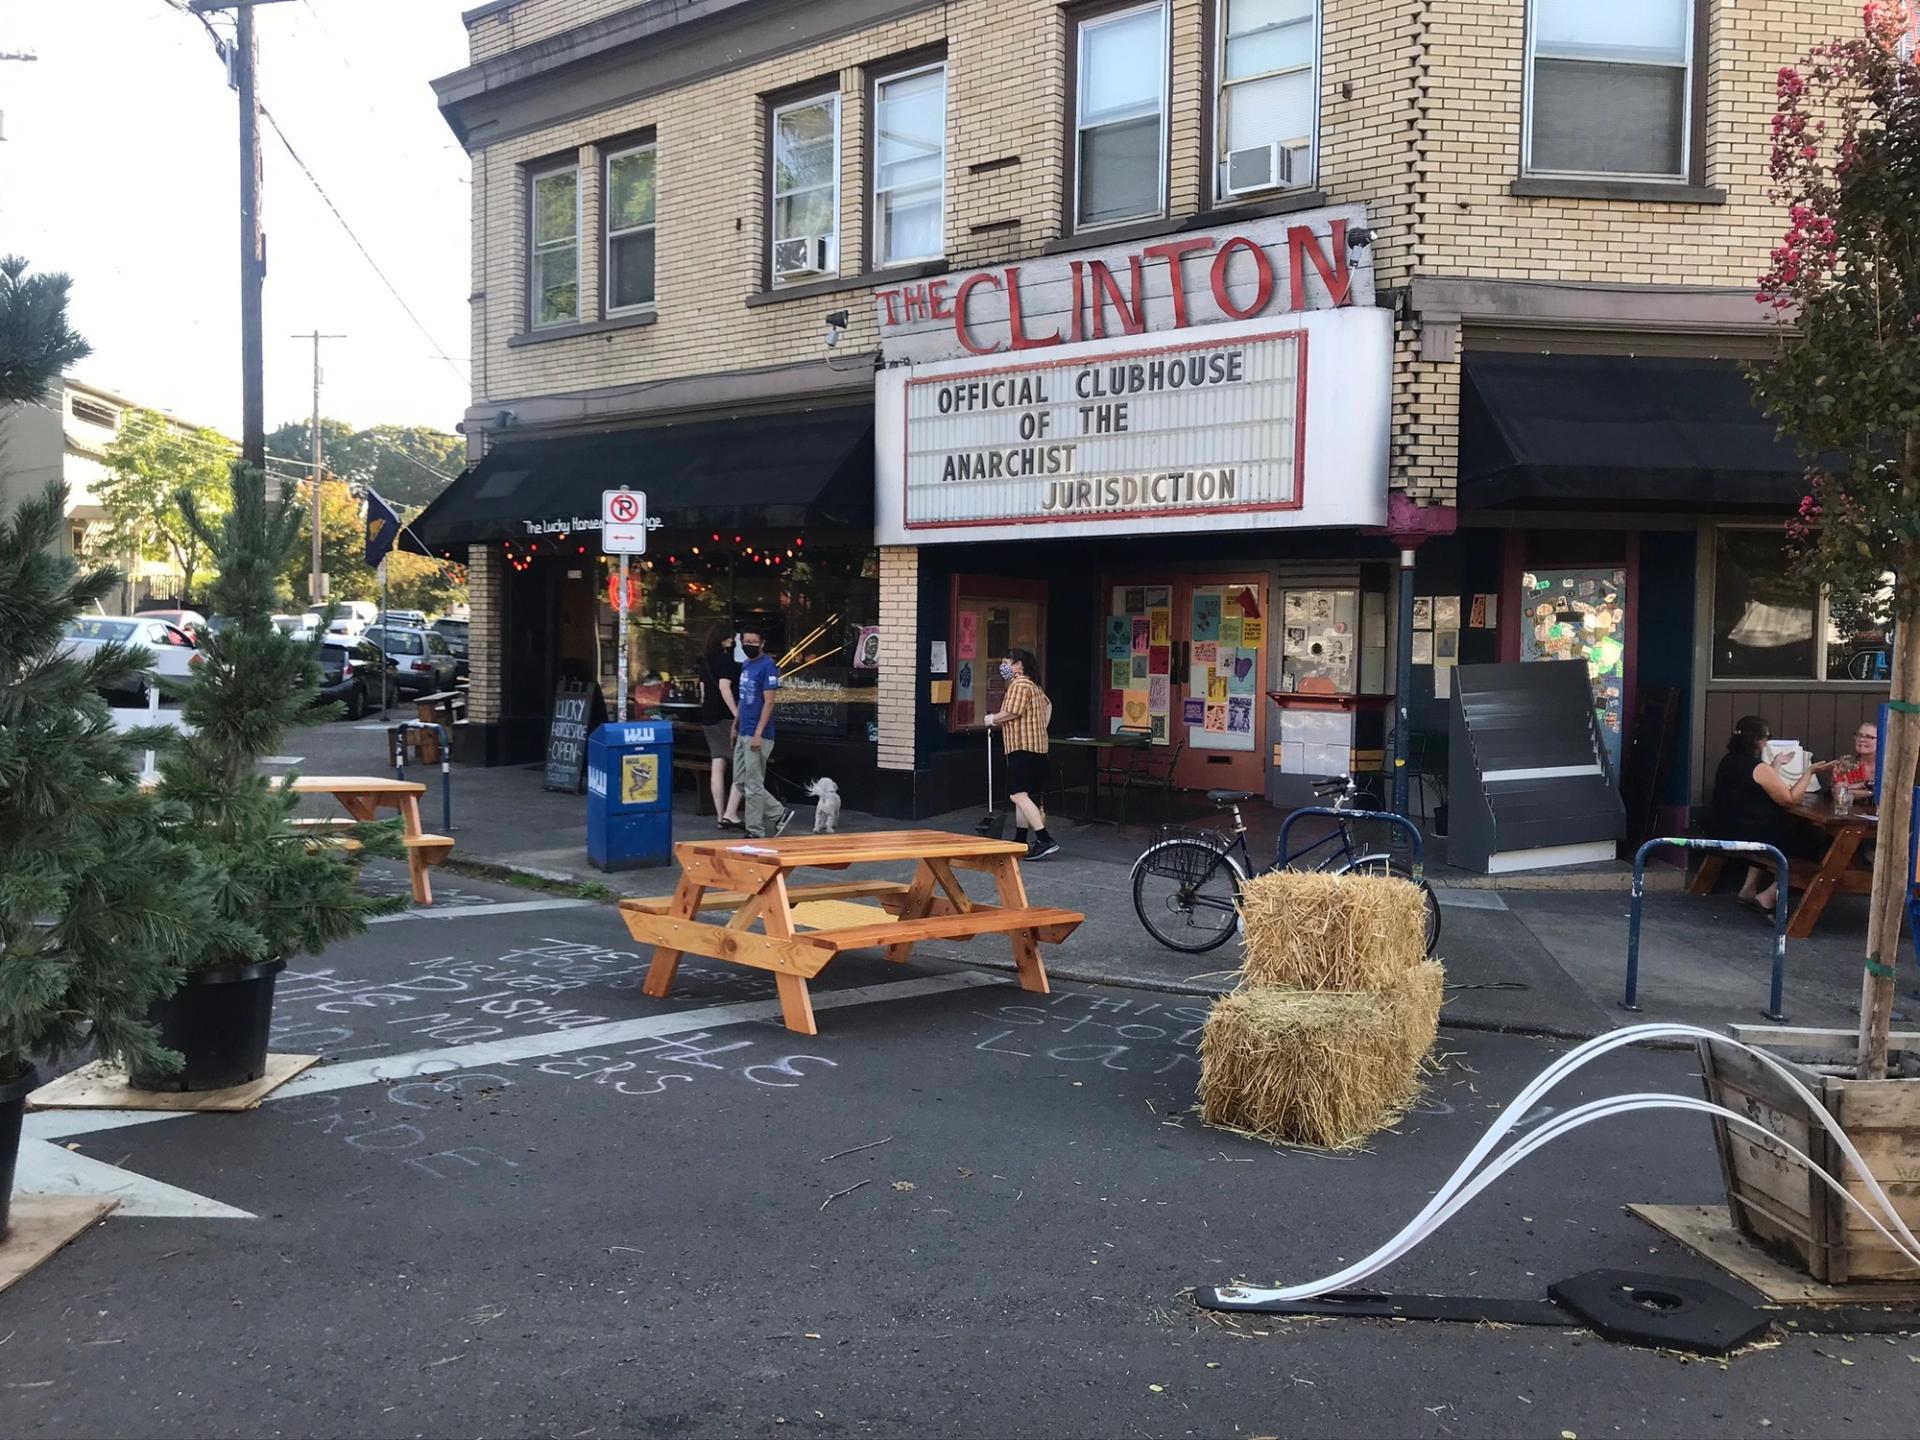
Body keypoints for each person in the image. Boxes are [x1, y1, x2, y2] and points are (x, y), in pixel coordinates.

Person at [1709, 715, 1835, 914]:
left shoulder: (1729, 761)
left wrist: (1775, 764)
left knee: (1781, 831)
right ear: (1759, 741)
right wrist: (1809, 772)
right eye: (1768, 736)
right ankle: (1769, 896)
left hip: (1727, 826)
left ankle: (1748, 888)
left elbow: (1760, 783)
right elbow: (1790, 799)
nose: (1768, 741)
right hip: (1753, 833)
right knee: (1814, 838)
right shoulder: (1757, 767)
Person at [985, 648, 1056, 860]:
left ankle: (1045, 840)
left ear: (1019, 665)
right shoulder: (1033, 685)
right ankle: (1020, 840)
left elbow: (1013, 712)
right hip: (1037, 748)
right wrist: (1041, 727)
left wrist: (993, 719)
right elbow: (1048, 705)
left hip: (1022, 747)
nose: (1004, 666)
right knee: (1022, 795)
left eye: (1007, 662)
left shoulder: (1020, 684)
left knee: (1017, 795)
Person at [733, 626, 795, 840]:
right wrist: (736, 723)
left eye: (753, 641)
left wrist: (759, 733)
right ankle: (778, 812)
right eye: (745, 641)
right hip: (744, 730)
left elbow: (769, 702)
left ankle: (755, 831)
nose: (748, 645)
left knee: (752, 784)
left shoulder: (768, 666)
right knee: (740, 781)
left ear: (762, 643)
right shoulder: (746, 665)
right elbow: (743, 698)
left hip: (758, 733)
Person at [696, 623, 742, 828]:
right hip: (724, 717)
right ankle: (730, 813)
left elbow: (703, 690)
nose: (732, 640)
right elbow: (725, 686)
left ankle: (719, 814)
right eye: (729, 637)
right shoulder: (727, 661)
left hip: (708, 715)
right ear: (723, 639)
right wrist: (736, 713)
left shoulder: (704, 661)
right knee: (740, 764)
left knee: (717, 763)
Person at [1829, 719, 1880, 799]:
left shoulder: (1888, 766)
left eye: (1868, 737)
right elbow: (1839, 793)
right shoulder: (1846, 763)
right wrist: (1871, 791)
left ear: (1881, 740)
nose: (1862, 739)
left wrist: (1854, 787)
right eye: (1859, 735)